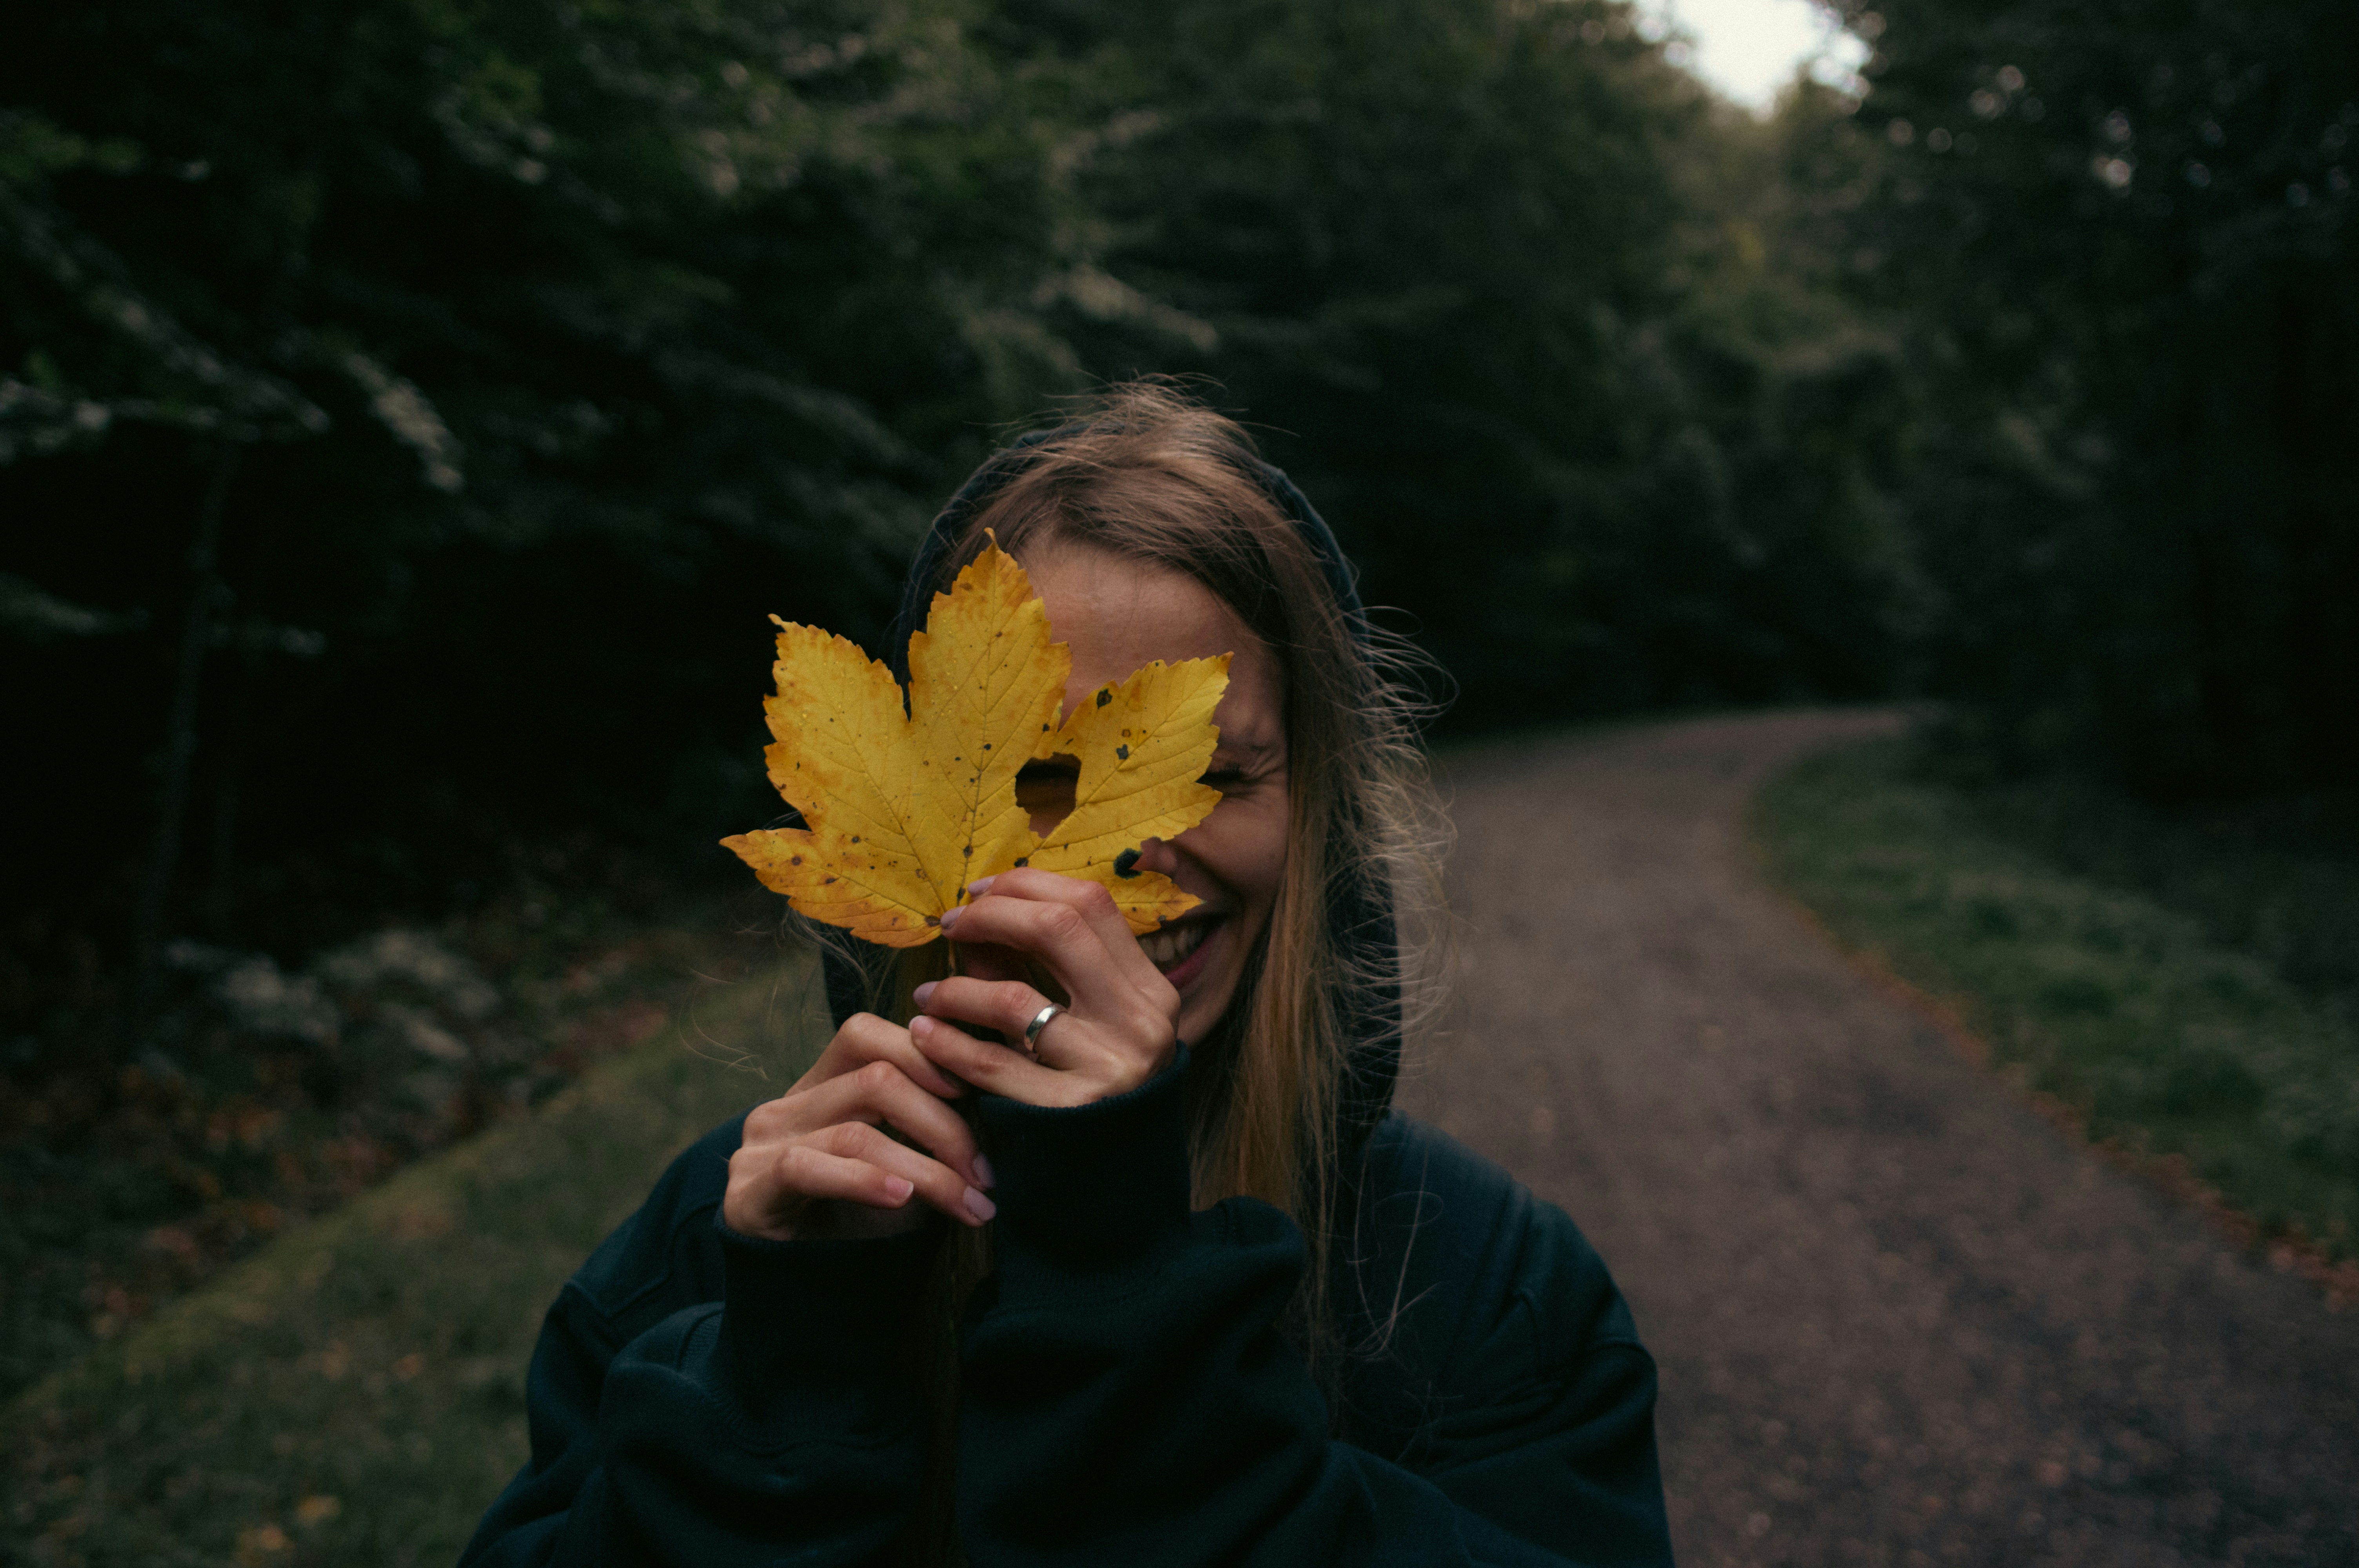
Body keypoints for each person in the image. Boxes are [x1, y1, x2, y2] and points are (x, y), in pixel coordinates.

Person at [460, 383, 1674, 1566]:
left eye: (1212, 776)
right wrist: (787, 1375)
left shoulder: (1484, 1289)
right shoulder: (725, 1238)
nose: (1110, 868)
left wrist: (1123, 1288)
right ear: (911, 807)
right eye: (1042, 782)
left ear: (1323, 822)